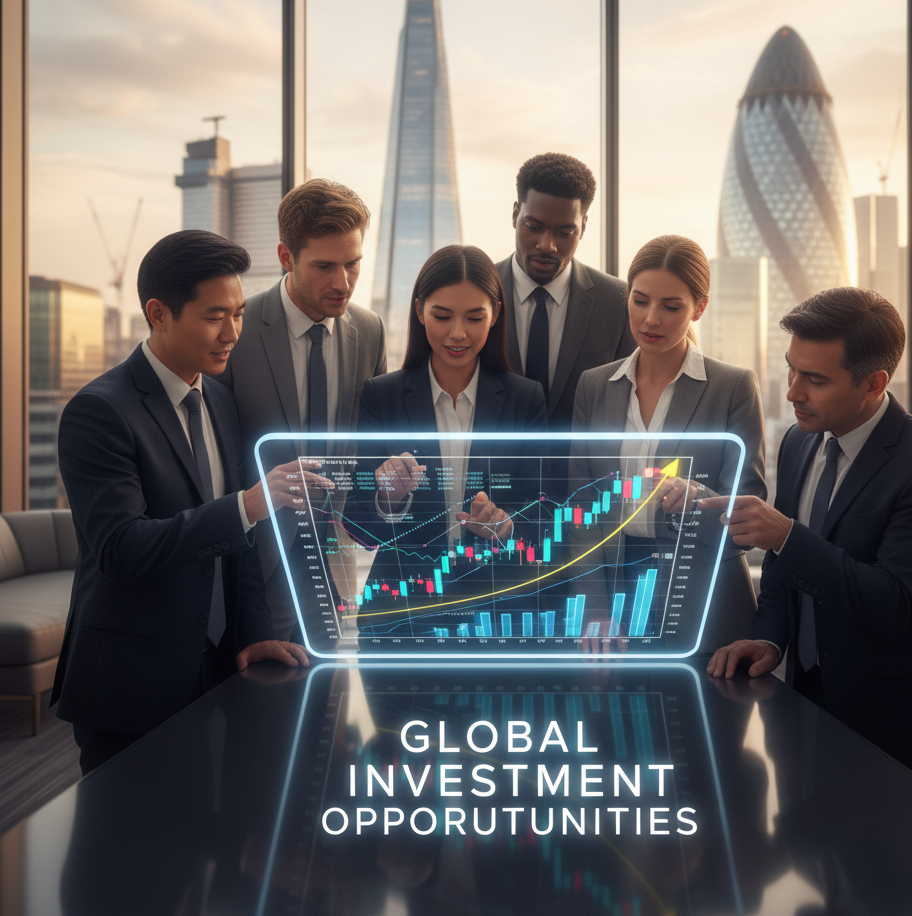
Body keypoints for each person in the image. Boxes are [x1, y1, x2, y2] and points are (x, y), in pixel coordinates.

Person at [706, 287, 912, 800]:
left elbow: (891, 603)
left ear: (874, 383)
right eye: (791, 369)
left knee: (910, 879)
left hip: (905, 723)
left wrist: (785, 534)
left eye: (814, 379)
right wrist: (770, 638)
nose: (792, 392)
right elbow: (780, 570)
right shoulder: (800, 439)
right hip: (808, 702)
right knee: (815, 862)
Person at [53, 230, 323, 774]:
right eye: (214, 316)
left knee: (207, 842)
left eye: (240, 313)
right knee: (124, 849)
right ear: (158, 313)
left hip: (220, 669)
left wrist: (253, 635)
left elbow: (237, 546)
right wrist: (248, 505)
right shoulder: (99, 412)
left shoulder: (219, 400)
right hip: (133, 680)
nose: (232, 333)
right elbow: (121, 548)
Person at [571, 235, 766, 651]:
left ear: (700, 308)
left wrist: (701, 498)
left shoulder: (732, 387)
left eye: (671, 306)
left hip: (703, 599)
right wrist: (595, 609)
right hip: (616, 589)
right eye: (640, 301)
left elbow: (749, 512)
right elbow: (580, 509)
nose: (651, 319)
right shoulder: (594, 386)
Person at [345, 245, 547, 638]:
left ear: (496, 315)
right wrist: (388, 496)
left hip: (498, 611)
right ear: (419, 311)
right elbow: (360, 527)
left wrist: (506, 526)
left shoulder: (526, 398)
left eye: (475, 317)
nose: (458, 333)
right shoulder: (380, 396)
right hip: (400, 612)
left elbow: (544, 511)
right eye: (442, 316)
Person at [216, 179, 387, 639]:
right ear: (286, 257)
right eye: (325, 266)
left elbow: (372, 444)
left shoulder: (369, 331)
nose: (343, 282)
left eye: (353, 264)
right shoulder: (237, 331)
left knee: (327, 695)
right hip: (255, 558)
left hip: (335, 557)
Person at [496, 153, 633, 430]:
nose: (547, 245)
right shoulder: (476, 291)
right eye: (533, 227)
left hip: (586, 473)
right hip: (491, 472)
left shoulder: (618, 302)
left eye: (565, 232)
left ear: (583, 226)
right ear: (514, 215)